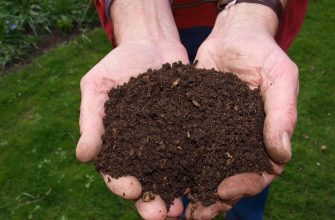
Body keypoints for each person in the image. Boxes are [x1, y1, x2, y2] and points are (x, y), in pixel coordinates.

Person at [76, 0, 308, 219]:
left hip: (247, 21)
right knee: (175, 193)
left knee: (247, 177)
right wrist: (141, 15)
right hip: (154, 24)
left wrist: (254, 13)